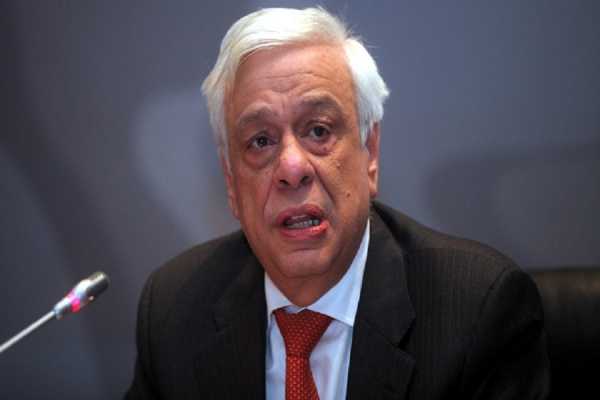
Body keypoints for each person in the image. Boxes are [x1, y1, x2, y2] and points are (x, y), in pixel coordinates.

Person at [125, 7, 549, 400]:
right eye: (261, 141)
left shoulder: (477, 312)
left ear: (370, 153)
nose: (292, 168)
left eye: (319, 131)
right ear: (231, 182)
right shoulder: (174, 313)